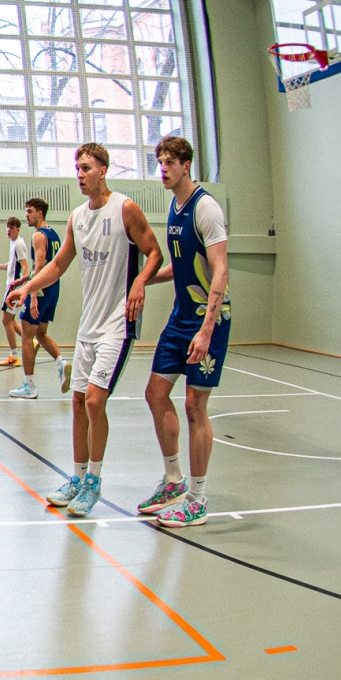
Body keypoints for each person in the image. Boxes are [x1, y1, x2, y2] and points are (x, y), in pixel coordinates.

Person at [8, 142, 162, 518]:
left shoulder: (124, 208)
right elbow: (59, 264)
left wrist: (140, 282)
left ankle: (93, 481)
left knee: (94, 401)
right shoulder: (77, 216)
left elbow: (155, 253)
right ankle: (76, 478)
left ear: (103, 170)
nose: (80, 174)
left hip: (118, 324)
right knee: (78, 402)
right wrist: (28, 287)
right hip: (88, 325)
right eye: (77, 168)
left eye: (87, 168)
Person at [138, 136, 232, 528]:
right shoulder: (175, 207)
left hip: (208, 320)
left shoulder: (205, 208)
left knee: (195, 405)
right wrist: (143, 280)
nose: (163, 169)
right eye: (159, 162)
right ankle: (174, 480)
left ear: (186, 165)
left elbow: (220, 271)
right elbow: (181, 266)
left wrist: (206, 330)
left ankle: (197, 499)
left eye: (169, 163)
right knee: (155, 393)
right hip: (180, 318)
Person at [10, 198, 65, 400]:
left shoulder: (38, 236)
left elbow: (40, 268)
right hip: (53, 289)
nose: (26, 215)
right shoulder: (54, 234)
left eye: (30, 211)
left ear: (39, 213)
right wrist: (23, 280)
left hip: (40, 292)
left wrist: (32, 294)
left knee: (27, 336)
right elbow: (47, 266)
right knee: (41, 333)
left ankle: (29, 385)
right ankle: (61, 363)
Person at [0, 217, 30, 368]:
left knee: (6, 320)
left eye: (11, 227)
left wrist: (24, 286)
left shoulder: (19, 244)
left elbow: (25, 266)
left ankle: (14, 355)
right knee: (10, 320)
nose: (8, 230)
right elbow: (12, 264)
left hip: (14, 287)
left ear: (18, 229)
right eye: (7, 227)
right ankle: (32, 340)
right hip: (11, 286)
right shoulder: (13, 244)